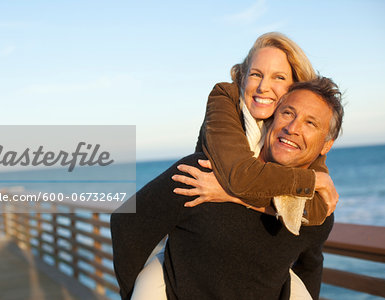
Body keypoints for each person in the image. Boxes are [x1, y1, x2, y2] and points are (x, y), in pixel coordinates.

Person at [111, 76, 344, 299]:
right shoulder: (201, 172)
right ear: (272, 118)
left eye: (310, 123)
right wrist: (133, 294)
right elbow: (127, 224)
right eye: (287, 113)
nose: (292, 128)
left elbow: (311, 266)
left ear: (326, 145)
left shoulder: (314, 209)